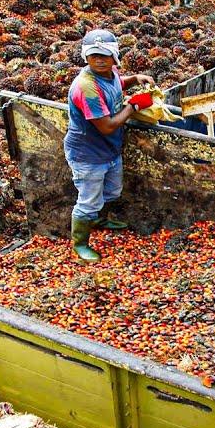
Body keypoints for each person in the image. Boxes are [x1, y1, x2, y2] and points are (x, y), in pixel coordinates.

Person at [63, 29, 156, 262]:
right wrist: (134, 106)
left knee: (111, 191)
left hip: (109, 149)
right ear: (86, 57)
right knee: (88, 200)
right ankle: (80, 244)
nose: (99, 59)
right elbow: (107, 126)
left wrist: (135, 79)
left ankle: (99, 219)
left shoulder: (110, 72)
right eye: (94, 55)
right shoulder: (86, 87)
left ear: (115, 56)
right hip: (88, 153)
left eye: (105, 54)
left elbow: (116, 84)